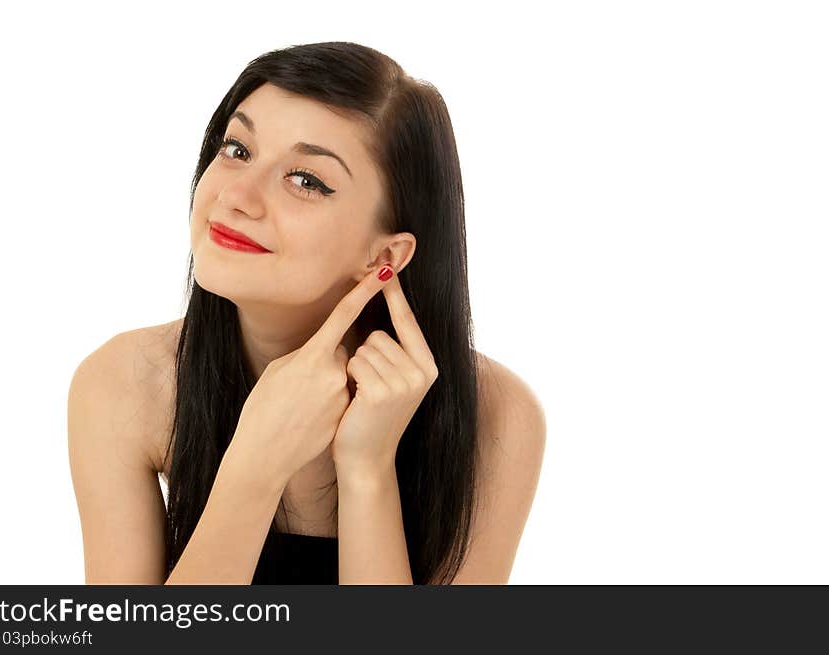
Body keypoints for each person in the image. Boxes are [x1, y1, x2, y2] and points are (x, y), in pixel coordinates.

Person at [68, 41, 546, 585]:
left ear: (385, 256)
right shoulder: (129, 383)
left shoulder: (496, 414)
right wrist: (254, 465)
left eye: (306, 180)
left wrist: (367, 471)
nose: (237, 196)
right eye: (238, 150)